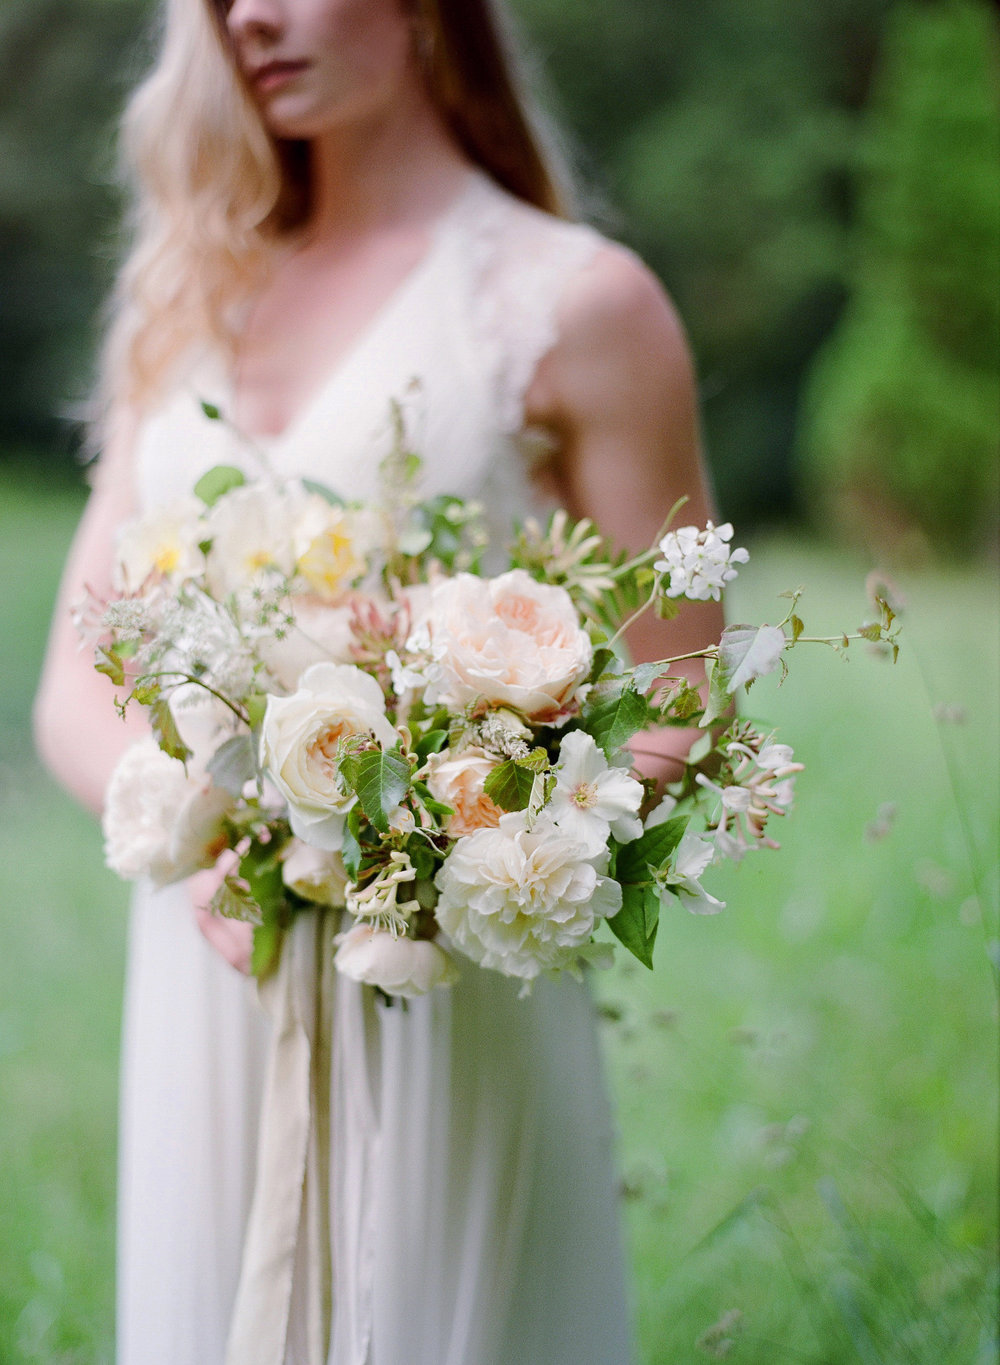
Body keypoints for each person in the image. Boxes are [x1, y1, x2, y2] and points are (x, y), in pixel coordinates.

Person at [34, 0, 723, 1360]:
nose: (249, 18)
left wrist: (452, 839)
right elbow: (72, 676)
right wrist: (213, 830)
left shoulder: (577, 305)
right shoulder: (189, 287)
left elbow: (682, 698)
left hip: (438, 985)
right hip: (206, 958)